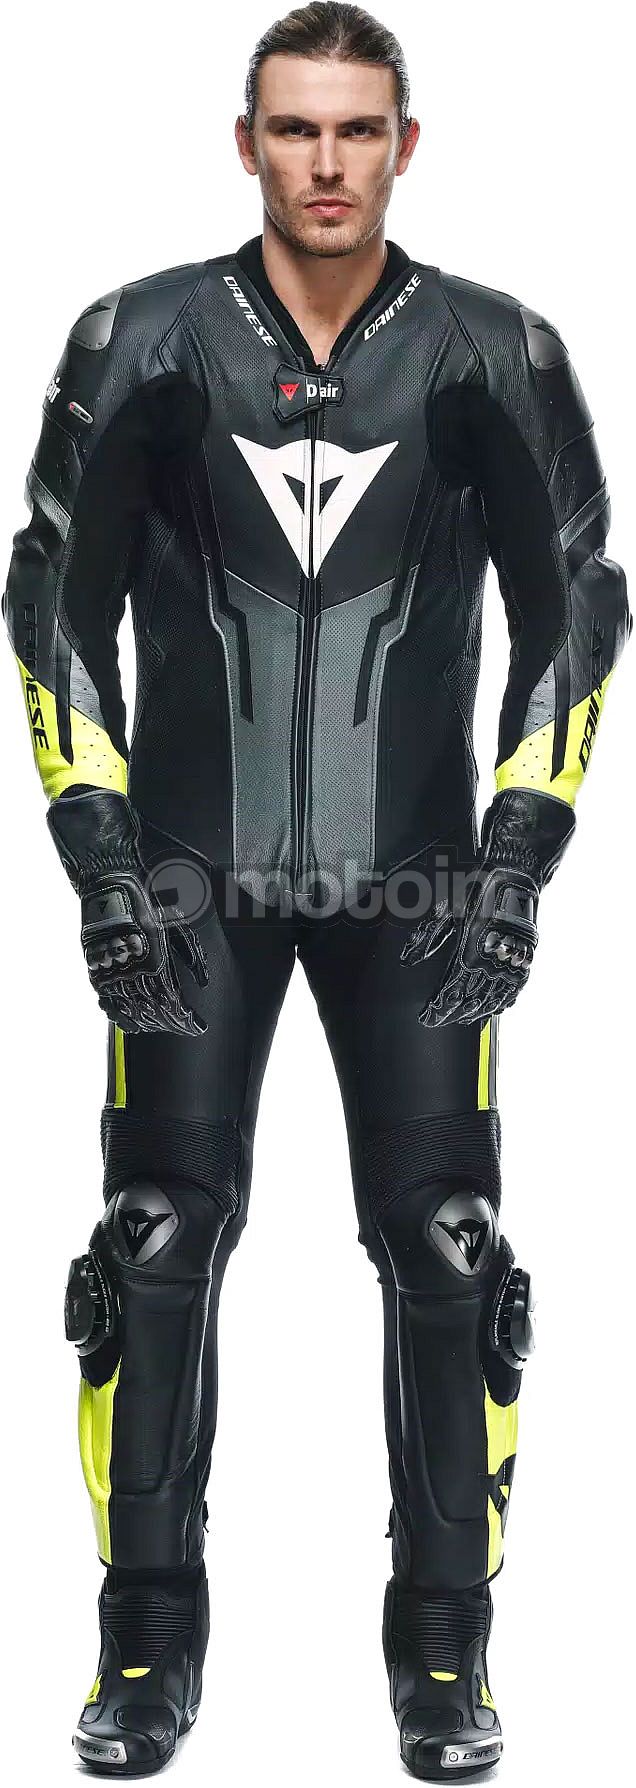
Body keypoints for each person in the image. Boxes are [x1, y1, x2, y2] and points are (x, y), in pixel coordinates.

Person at [3, 2, 630, 1778]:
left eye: (359, 130)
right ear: (247, 142)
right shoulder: (141, 337)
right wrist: (98, 857)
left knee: (450, 1249)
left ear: (406, 145)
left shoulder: (497, 348)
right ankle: (145, 1647)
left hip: (419, 880)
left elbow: (578, 600)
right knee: (151, 1243)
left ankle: (445, 1657)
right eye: (296, 129)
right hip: (187, 881)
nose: (328, 163)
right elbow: (52, 599)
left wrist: (519, 854)